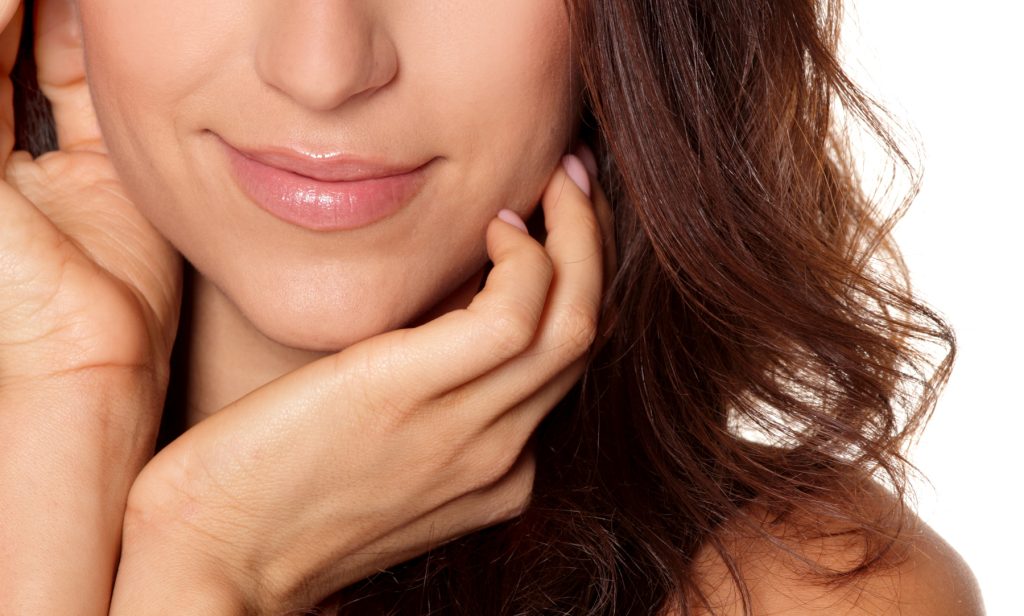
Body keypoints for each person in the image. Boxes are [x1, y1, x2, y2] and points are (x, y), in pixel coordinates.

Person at [0, 0, 985, 614]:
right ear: (60, 11)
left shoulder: (799, 595)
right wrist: (71, 410)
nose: (324, 68)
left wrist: (209, 563)